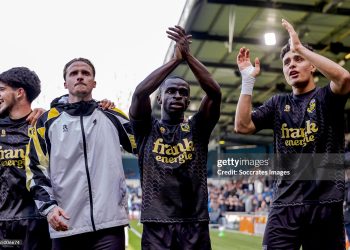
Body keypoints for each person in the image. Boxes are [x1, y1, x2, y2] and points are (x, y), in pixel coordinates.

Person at [234, 19, 350, 250]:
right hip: (285, 204)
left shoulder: (327, 98)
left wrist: (300, 47)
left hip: (325, 202)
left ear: (313, 66)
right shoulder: (278, 103)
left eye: (298, 59)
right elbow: (243, 126)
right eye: (287, 62)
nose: (291, 65)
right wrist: (248, 81)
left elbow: (344, 79)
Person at [26, 58, 136, 250]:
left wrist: (171, 123)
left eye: (85, 73)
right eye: (73, 73)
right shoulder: (46, 121)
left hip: (110, 225)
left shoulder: (112, 115)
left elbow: (143, 145)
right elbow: (35, 169)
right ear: (65, 83)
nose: (79, 76)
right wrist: (49, 208)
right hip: (65, 225)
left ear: (94, 82)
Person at [129, 25, 221, 250]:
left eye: (183, 92)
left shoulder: (197, 129)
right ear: (159, 99)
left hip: (194, 222)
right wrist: (174, 61)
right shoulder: (145, 129)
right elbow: (140, 93)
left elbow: (215, 93)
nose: (178, 95)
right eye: (171, 91)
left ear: (189, 102)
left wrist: (187, 56)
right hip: (156, 222)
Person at [0, 67, 51, 250]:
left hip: (37, 223)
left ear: (20, 92)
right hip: (3, 225)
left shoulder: (45, 125)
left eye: (2, 89)